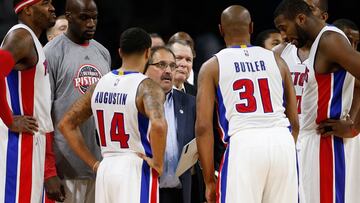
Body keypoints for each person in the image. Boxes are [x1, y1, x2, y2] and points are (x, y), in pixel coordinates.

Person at [196, 5, 299, 203]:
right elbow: (294, 121)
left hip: (245, 143)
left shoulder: (212, 66)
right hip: (282, 140)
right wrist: (283, 148)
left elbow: (203, 127)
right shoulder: (277, 60)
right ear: (251, 27)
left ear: (221, 29)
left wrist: (209, 180)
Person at [57, 27, 167, 203]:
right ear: (148, 53)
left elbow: (66, 124)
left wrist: (94, 164)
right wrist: (158, 163)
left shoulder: (99, 84)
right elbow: (159, 125)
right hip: (135, 168)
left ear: (120, 52)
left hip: (106, 168)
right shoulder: (148, 86)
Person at [274, 0, 360, 202]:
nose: (283, 36)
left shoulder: (330, 40)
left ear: (301, 18)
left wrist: (355, 126)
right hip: (290, 142)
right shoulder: (282, 51)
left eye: (284, 28)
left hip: (322, 142)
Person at [44, 0, 111, 202]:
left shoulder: (103, 52)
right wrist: (49, 172)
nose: (90, 23)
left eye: (94, 18)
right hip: (65, 169)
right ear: (69, 16)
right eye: (84, 18)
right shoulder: (51, 53)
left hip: (99, 165)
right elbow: (43, 114)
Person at [0, 0, 65, 202]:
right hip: (19, 145)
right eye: (45, 3)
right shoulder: (20, 37)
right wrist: (9, 119)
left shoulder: (33, 41)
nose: (52, 8)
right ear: (28, 9)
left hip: (33, 141)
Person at [145, 46, 196, 203]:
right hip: (148, 189)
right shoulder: (134, 101)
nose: (168, 71)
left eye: (172, 66)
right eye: (161, 65)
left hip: (181, 193)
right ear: (145, 68)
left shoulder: (190, 103)